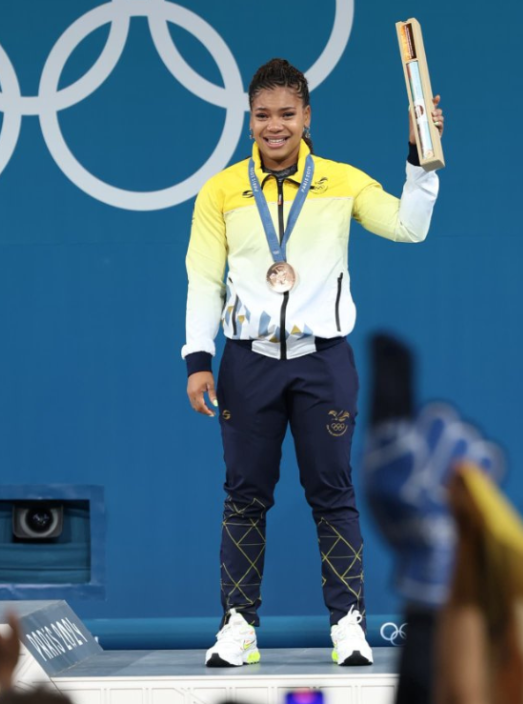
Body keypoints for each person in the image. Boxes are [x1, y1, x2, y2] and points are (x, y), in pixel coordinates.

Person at [181, 58, 445, 667]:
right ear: (250, 119)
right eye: (263, 115)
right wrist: (198, 360)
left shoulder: (341, 182)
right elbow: (202, 281)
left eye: (287, 114)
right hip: (247, 364)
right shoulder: (220, 191)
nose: (275, 127)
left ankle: (348, 622)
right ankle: (238, 625)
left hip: (322, 361)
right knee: (244, 495)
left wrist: (419, 156)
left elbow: (410, 228)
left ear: (307, 117)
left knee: (333, 492)